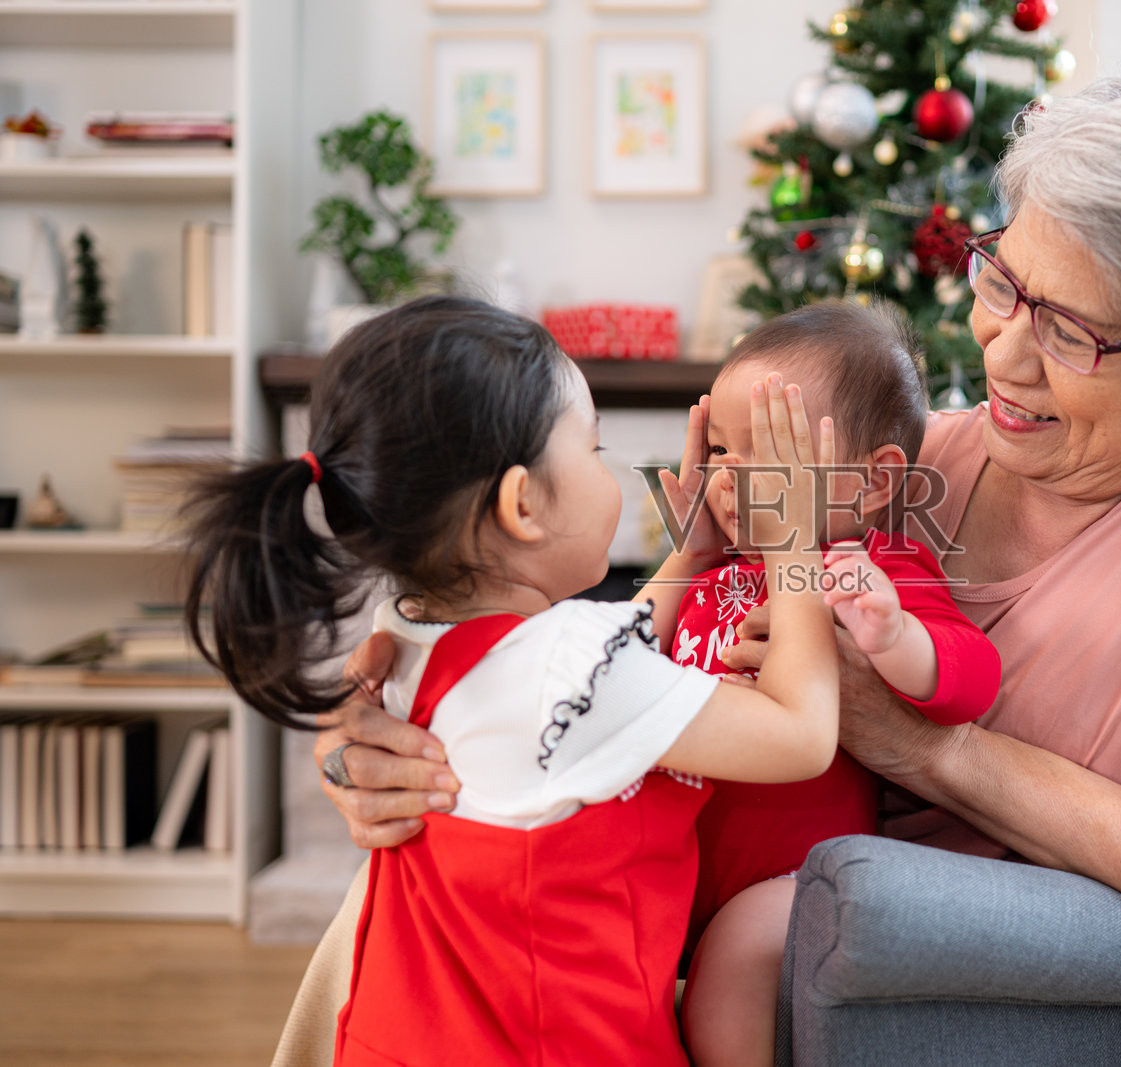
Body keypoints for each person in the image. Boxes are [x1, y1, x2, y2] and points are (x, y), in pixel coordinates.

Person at [299, 60, 1121, 1067]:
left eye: (1071, 334)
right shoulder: (908, 463)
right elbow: (596, 643)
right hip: (688, 890)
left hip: (916, 970)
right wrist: (415, 737)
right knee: (402, 908)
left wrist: (934, 750)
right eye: (1002, 282)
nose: (1001, 353)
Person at [185, 296, 844, 1066]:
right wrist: (795, 542)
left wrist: (689, 553)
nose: (610, 472)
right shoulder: (567, 674)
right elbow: (800, 733)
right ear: (523, 503)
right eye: (594, 450)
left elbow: (601, 658)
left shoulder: (404, 633)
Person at [633, 301, 1001, 1057]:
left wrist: (895, 637)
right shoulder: (712, 571)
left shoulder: (870, 573)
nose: (730, 476)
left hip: (786, 882)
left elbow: (972, 678)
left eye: (767, 454)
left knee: (731, 964)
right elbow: (608, 658)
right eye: (723, 451)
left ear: (870, 486)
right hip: (667, 859)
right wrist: (687, 554)